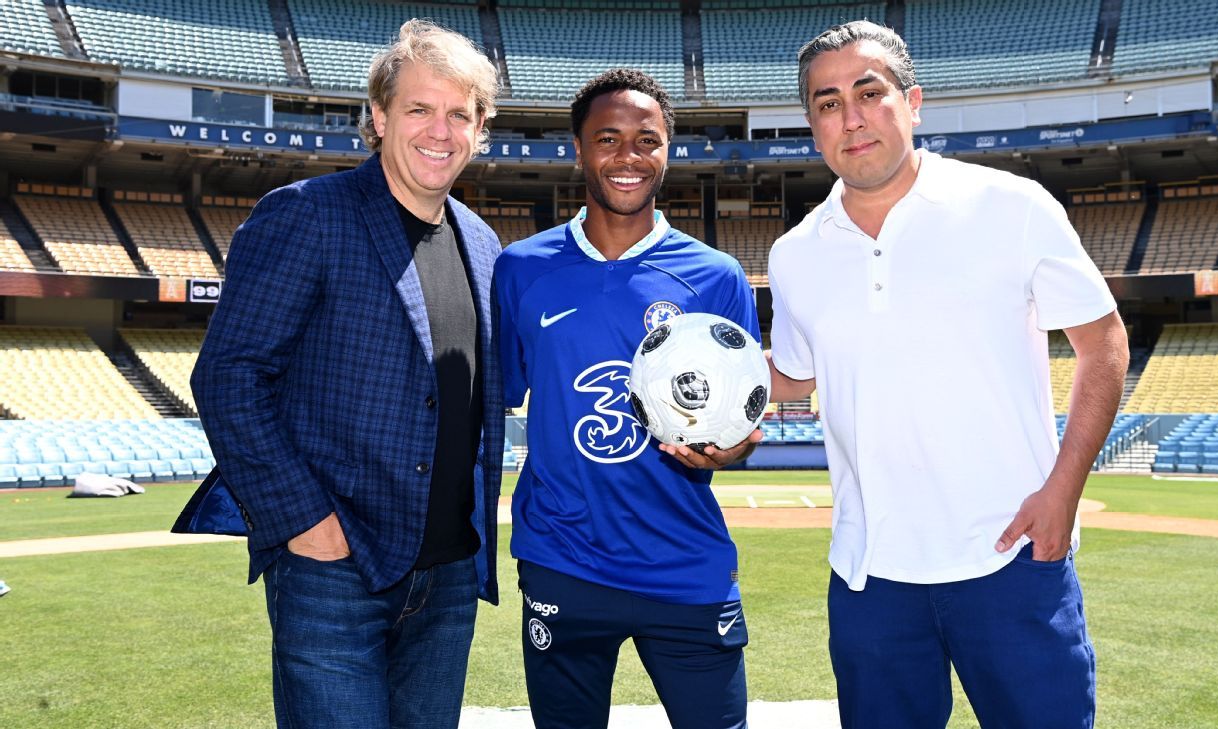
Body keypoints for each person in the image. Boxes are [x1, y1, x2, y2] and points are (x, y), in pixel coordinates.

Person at [766, 21, 1129, 729]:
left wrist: (1063, 489)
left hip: (1011, 557)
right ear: (813, 125)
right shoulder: (794, 253)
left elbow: (1104, 341)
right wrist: (694, 377)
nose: (853, 117)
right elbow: (793, 375)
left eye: (869, 93)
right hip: (870, 574)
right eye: (829, 102)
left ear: (913, 102)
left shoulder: (1010, 206)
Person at [185, 20, 504, 728]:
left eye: (459, 114)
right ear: (381, 116)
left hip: (449, 572)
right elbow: (228, 376)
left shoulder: (484, 244)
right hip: (335, 568)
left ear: (479, 129)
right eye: (419, 108)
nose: (439, 130)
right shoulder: (307, 215)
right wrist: (306, 524)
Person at [492, 69, 761, 729]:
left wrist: (727, 451)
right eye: (608, 138)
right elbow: (503, 391)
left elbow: (744, 426)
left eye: (647, 140)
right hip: (563, 561)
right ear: (580, 150)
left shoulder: (717, 277)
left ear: (668, 151)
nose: (628, 156)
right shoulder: (522, 268)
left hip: (685, 564)